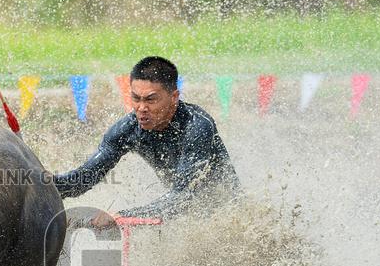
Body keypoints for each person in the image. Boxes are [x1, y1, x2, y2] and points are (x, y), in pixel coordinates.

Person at [53, 56, 240, 223]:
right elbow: (80, 181)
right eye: (135, 98)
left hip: (228, 217)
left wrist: (123, 216)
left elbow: (184, 196)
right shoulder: (126, 130)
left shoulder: (197, 126)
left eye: (151, 100)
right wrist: (38, 183)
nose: (141, 108)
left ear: (174, 97)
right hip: (182, 215)